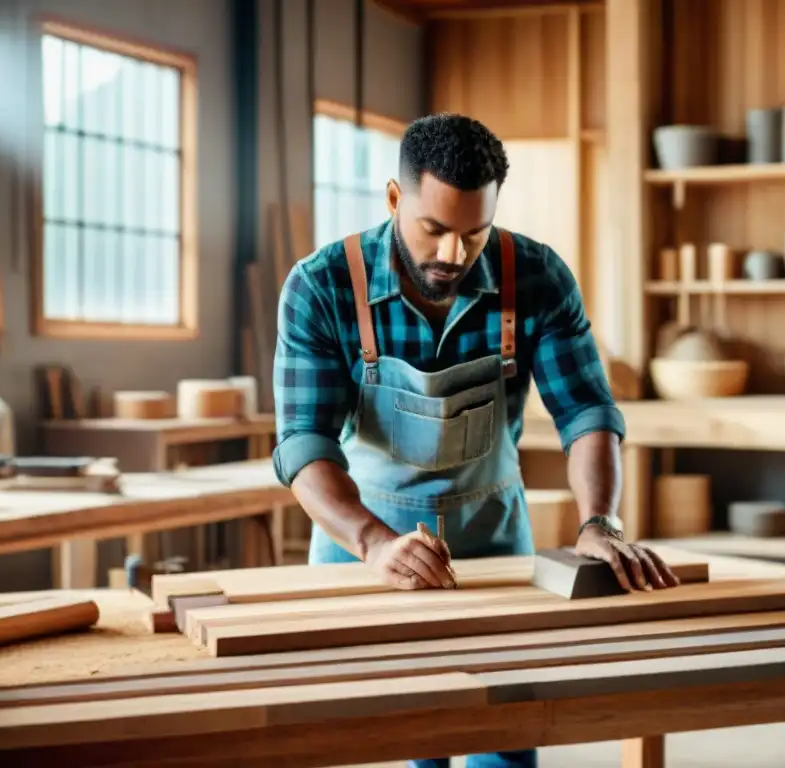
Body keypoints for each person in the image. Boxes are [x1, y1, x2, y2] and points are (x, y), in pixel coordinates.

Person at [272, 113, 679, 768]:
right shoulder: (321, 286)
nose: (453, 256)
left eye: (474, 233)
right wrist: (375, 544)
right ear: (395, 198)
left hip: (492, 539)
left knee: (505, 735)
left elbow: (586, 411)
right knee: (394, 736)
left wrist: (599, 521)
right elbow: (302, 442)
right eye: (433, 230)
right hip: (363, 544)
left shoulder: (538, 277)